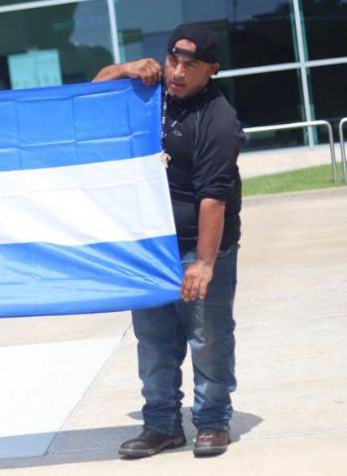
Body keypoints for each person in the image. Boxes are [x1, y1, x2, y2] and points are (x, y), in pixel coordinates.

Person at [93, 23, 242, 459]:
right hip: (150, 247)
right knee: (154, 340)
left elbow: (214, 199)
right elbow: (92, 93)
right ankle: (161, 425)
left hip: (200, 245)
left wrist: (205, 264)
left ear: (211, 70)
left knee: (208, 336)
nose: (177, 72)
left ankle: (213, 421)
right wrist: (125, 67)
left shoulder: (218, 120)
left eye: (189, 66)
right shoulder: (149, 92)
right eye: (173, 60)